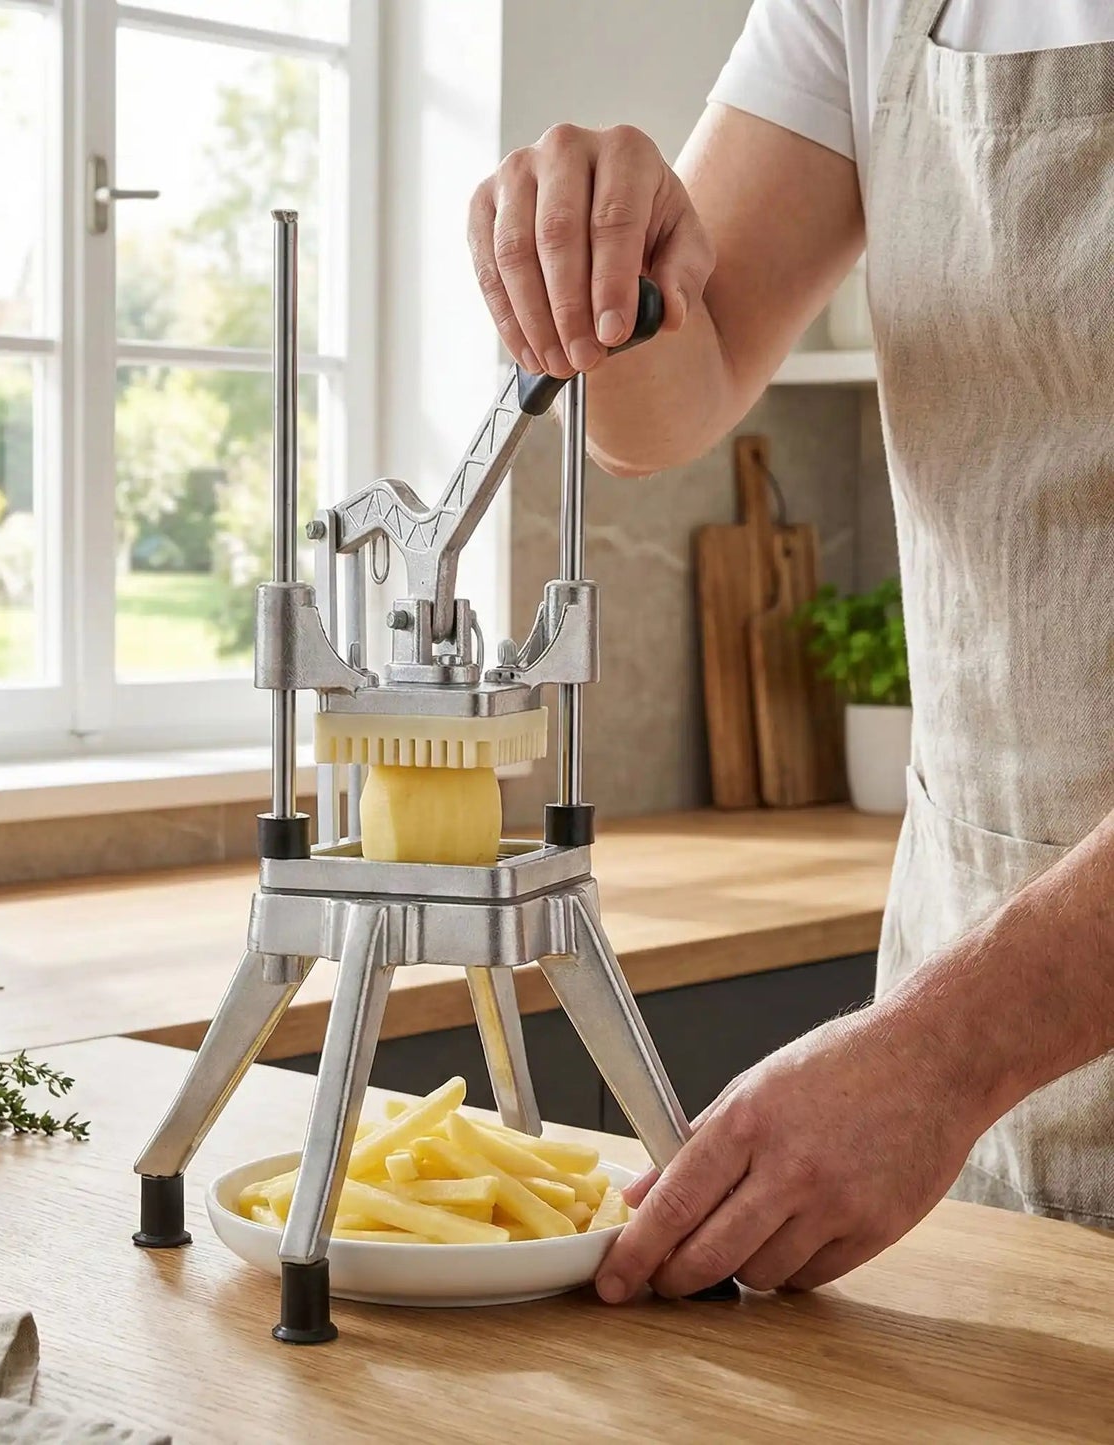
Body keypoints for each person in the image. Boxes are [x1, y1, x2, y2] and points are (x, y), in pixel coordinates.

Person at [467, 0, 1114, 1305]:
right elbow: (658, 407)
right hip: (976, 992)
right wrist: (608, 269)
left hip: (964, 1032)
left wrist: (939, 1054)